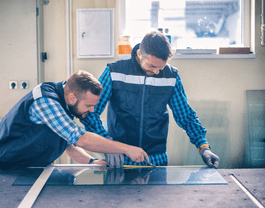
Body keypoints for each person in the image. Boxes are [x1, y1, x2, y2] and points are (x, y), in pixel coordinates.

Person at [80, 31, 219, 168]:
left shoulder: (171, 76)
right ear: (139, 54)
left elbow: (186, 116)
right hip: (121, 158)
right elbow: (90, 112)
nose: (157, 72)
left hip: (156, 159)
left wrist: (203, 146)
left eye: (161, 67)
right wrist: (107, 144)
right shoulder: (114, 72)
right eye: (152, 66)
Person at [0, 70, 149, 170]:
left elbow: (67, 144)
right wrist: (127, 149)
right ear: (73, 97)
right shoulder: (45, 101)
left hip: (24, 168)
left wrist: (92, 162)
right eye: (89, 105)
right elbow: (80, 139)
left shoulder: (66, 102)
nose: (93, 110)